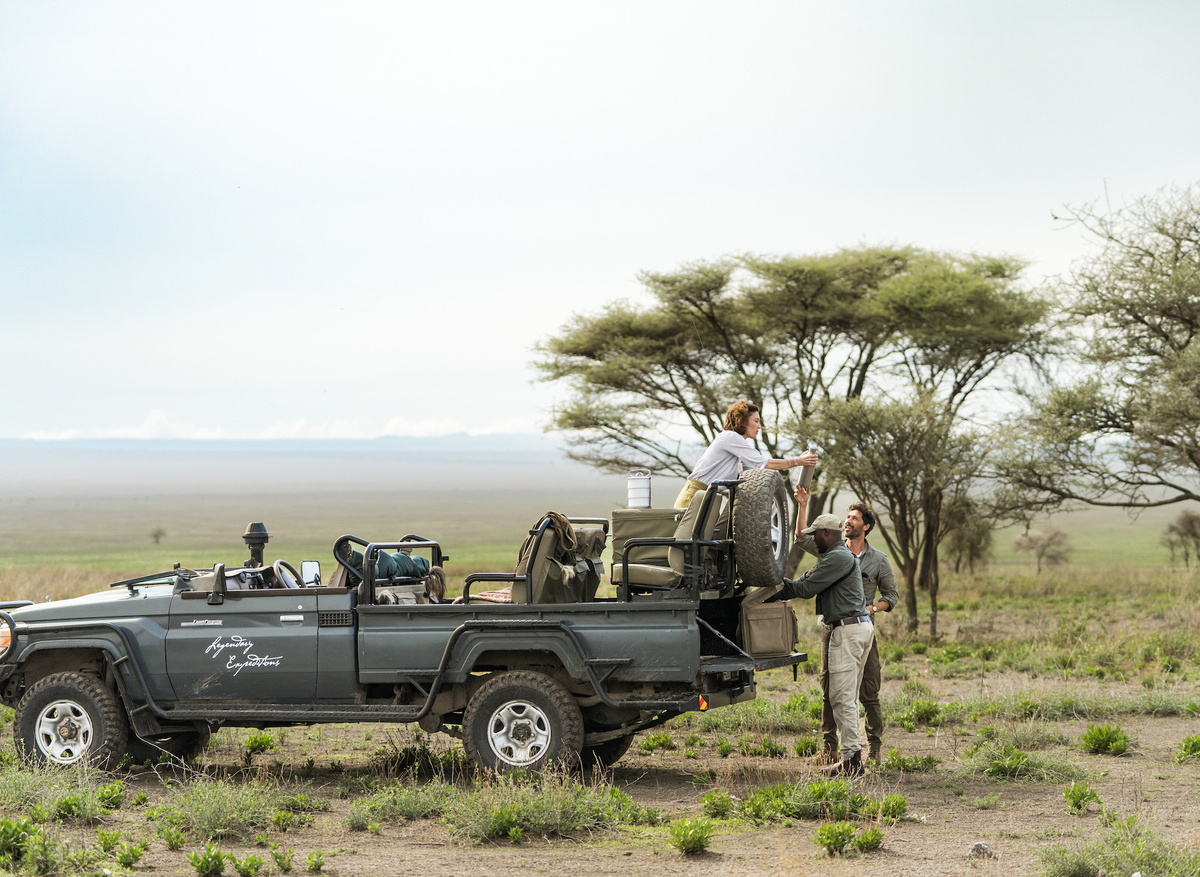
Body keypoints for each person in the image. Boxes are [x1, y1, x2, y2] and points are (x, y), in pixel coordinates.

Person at [795, 487, 899, 764]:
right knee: (830, 690)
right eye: (847, 517)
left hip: (862, 629)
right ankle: (829, 749)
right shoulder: (831, 551)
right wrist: (802, 505)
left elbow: (892, 597)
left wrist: (872, 607)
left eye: (853, 518)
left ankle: (874, 750)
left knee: (869, 690)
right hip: (832, 629)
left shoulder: (878, 560)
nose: (847, 521)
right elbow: (800, 538)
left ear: (866, 526)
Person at [777, 511, 874, 776]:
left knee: (841, 698)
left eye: (817, 535)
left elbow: (805, 589)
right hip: (854, 628)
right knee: (846, 697)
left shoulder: (837, 558)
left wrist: (772, 586)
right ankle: (852, 758)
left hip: (848, 630)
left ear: (828, 534)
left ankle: (852, 762)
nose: (814, 540)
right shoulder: (835, 554)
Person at [674, 401, 819, 508]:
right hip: (694, 497)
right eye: (756, 421)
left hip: (708, 498)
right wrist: (797, 462)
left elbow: (757, 472)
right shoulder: (730, 437)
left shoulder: (737, 446)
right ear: (743, 421)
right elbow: (765, 463)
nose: (759, 426)